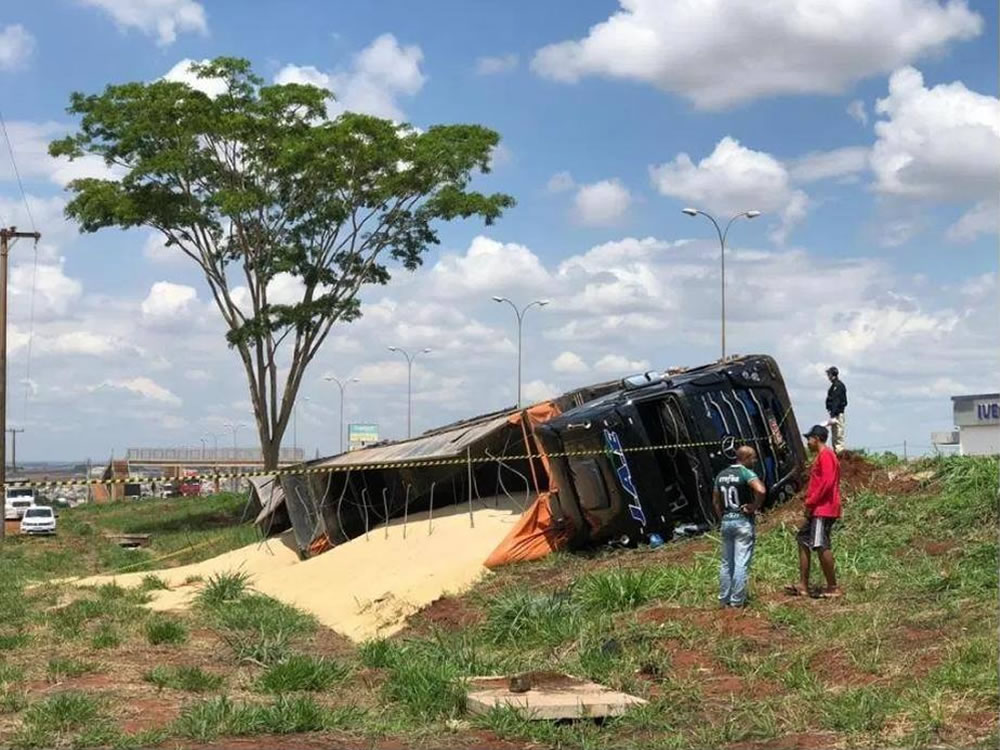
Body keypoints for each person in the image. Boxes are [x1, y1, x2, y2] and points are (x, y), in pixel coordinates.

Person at [786, 425, 842, 598]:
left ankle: (833, 587)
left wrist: (811, 503)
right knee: (803, 539)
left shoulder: (826, 455)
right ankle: (803, 585)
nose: (807, 443)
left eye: (808, 439)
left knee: (820, 544)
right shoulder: (822, 456)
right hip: (817, 507)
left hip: (823, 509)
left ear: (816, 439)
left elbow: (826, 483)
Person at [713, 445, 766, 608]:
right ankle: (737, 601)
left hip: (727, 521)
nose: (755, 461)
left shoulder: (721, 475)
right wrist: (754, 506)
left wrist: (722, 517)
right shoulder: (745, 472)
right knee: (741, 562)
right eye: (753, 458)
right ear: (746, 458)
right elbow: (761, 490)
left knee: (726, 563)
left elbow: (715, 501)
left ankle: (724, 599)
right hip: (742, 521)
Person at [825, 366, 848, 454]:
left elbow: (836, 401)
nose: (828, 376)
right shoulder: (834, 386)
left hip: (837, 414)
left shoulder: (838, 386)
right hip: (834, 414)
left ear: (832, 374)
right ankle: (836, 454)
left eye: (829, 374)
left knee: (838, 436)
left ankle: (840, 455)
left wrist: (833, 415)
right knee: (835, 436)